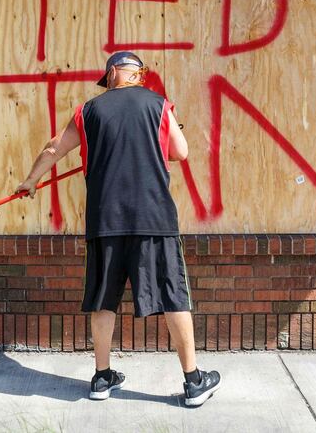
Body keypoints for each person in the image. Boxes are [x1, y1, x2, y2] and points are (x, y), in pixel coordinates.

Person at [15, 52, 221, 407]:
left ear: (111, 75)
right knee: (173, 295)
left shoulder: (88, 111)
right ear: (133, 75)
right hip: (153, 219)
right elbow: (181, 152)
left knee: (103, 299)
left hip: (105, 221)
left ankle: (101, 378)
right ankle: (193, 381)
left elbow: (54, 148)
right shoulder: (158, 105)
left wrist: (30, 181)